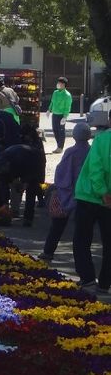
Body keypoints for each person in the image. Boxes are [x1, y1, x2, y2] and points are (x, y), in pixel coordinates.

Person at [72, 111, 111, 292]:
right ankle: (105, 282)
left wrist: (101, 191)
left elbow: (96, 167)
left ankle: (87, 279)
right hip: (107, 200)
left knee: (82, 239)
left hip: (89, 195)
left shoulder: (102, 140)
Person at [41, 121, 92, 262]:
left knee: (57, 225)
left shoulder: (71, 152)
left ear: (75, 135)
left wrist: (59, 187)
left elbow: (62, 172)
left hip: (68, 192)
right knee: (82, 230)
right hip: (87, 194)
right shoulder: (92, 151)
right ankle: (81, 259)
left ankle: (48, 251)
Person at [0, 143, 44, 226]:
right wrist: (5, 203)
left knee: (31, 190)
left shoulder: (21, 159)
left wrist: (24, 184)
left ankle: (28, 218)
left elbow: (30, 175)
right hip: (17, 159)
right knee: (0, 185)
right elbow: (3, 184)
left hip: (35, 160)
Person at [48, 77, 73, 152]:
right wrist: (49, 110)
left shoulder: (67, 95)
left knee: (61, 131)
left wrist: (65, 117)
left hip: (61, 115)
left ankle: (60, 147)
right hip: (54, 114)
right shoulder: (55, 93)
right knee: (55, 130)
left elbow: (67, 107)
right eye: (58, 83)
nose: (58, 84)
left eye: (60, 83)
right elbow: (52, 102)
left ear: (64, 85)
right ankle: (58, 145)